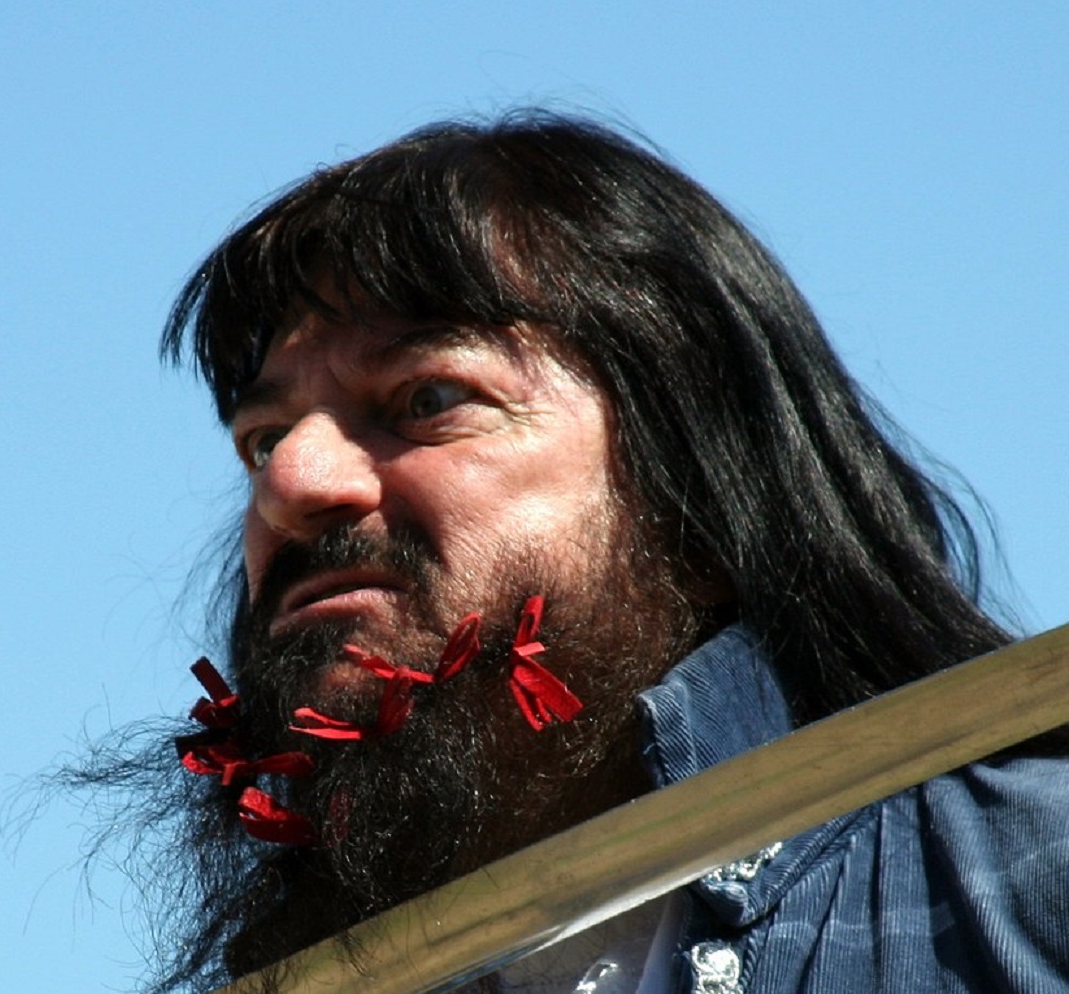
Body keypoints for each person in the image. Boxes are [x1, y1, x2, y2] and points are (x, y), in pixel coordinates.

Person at [69, 112, 1069, 994]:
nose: (290, 485)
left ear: (704, 496)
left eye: (426, 398)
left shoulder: (1030, 877)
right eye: (262, 439)